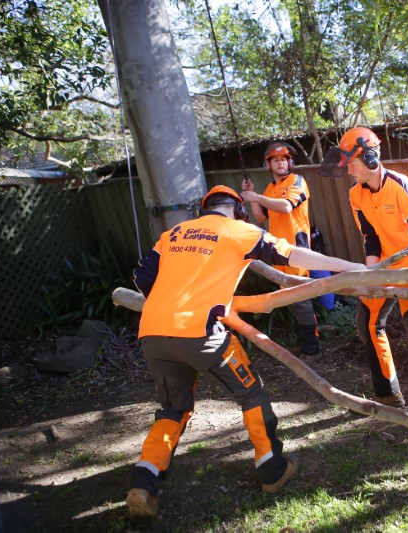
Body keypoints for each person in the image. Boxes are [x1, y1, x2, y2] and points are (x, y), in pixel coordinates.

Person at [126, 185, 364, 518]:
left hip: (152, 333)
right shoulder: (240, 231)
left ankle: (144, 478)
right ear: (238, 209)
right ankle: (272, 469)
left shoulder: (174, 233)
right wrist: (347, 265)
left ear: (205, 209)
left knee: (173, 407)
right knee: (251, 393)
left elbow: (142, 279)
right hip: (201, 334)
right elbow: (293, 255)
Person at [319, 127, 408, 427]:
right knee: (368, 323)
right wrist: (371, 277)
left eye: (352, 162)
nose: (348, 169)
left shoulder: (400, 186)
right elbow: (370, 237)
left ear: (370, 157)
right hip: (383, 269)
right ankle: (388, 394)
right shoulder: (355, 194)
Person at [240, 141, 321, 358]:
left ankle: (312, 346)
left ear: (290, 162)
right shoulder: (270, 189)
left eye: (284, 159)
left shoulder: (297, 181)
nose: (281, 163)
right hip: (277, 250)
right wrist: (253, 194)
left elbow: (286, 207)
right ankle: (303, 341)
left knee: (300, 297)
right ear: (269, 164)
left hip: (297, 249)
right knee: (288, 295)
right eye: (275, 160)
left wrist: (255, 197)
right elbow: (260, 216)